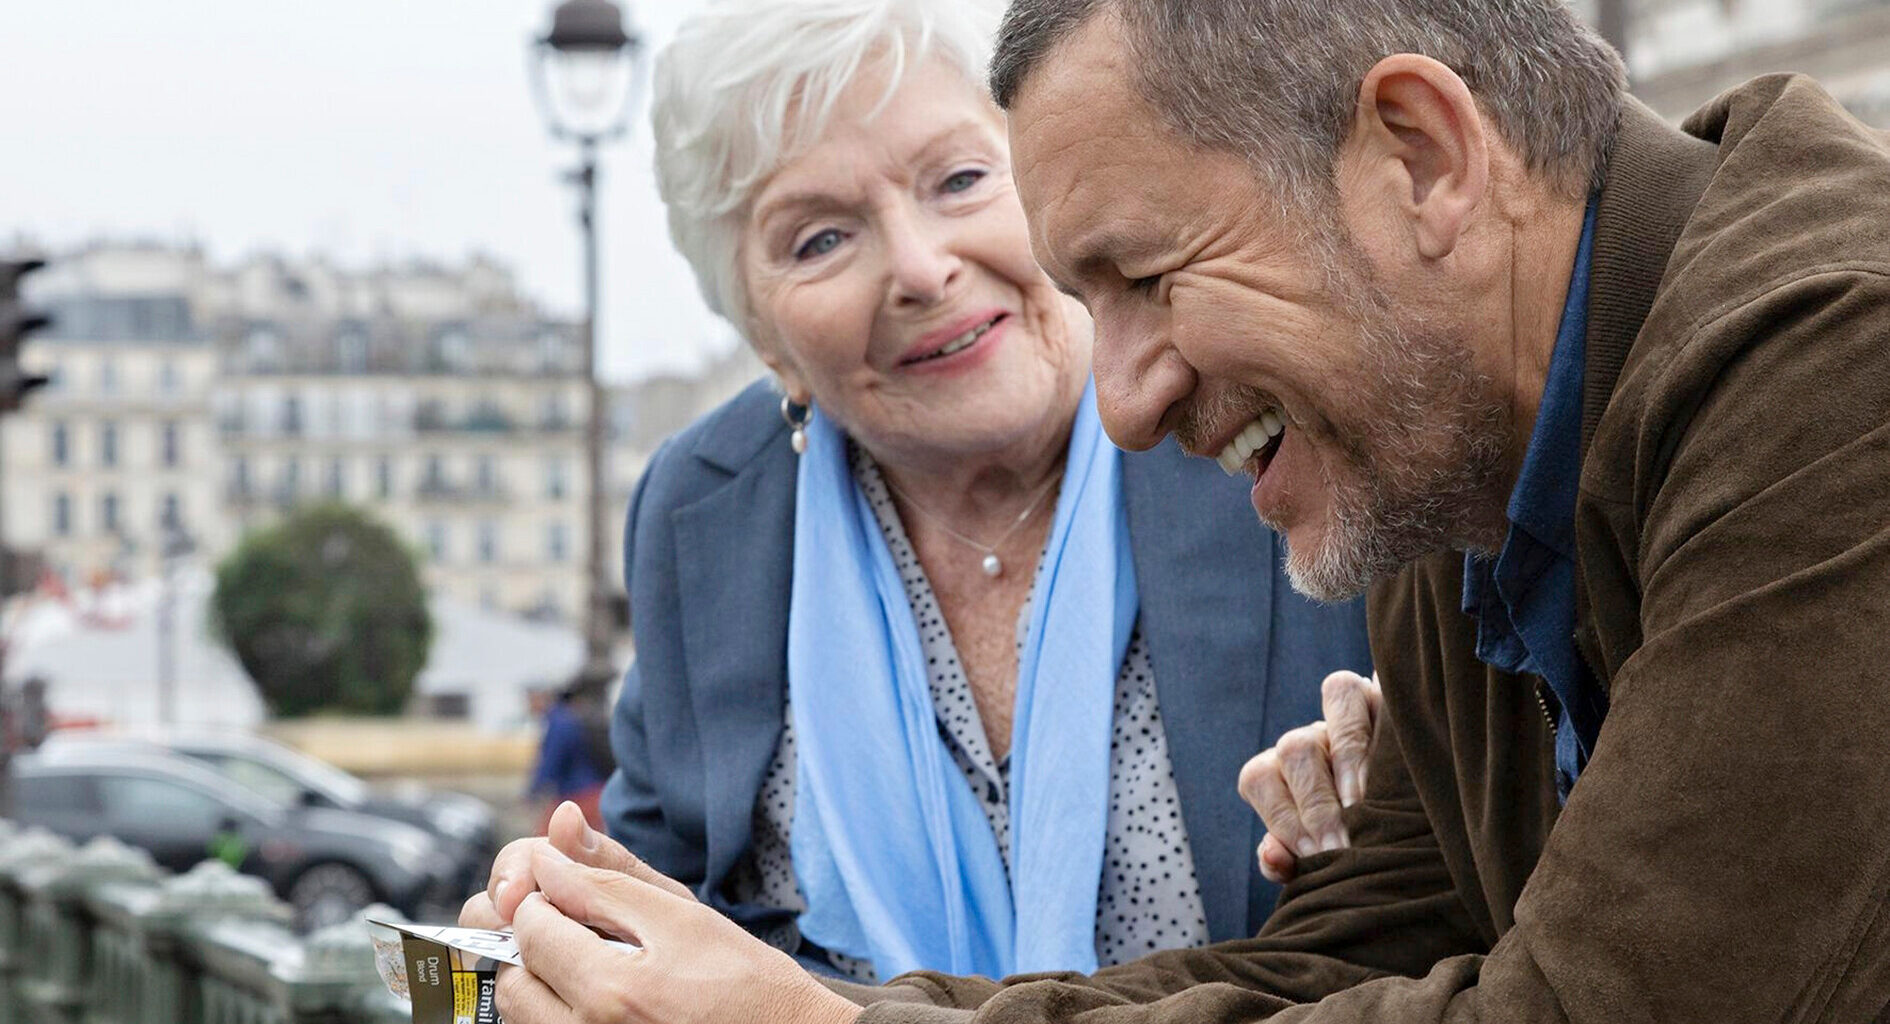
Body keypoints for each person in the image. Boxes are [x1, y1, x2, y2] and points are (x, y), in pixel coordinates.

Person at [466, 0, 1890, 1018]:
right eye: (821, 234)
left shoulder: (1840, 368)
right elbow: (1332, 960)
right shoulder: (1439, 439)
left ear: (1420, 156)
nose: (1124, 402)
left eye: (1144, 277)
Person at [548, 0, 1366, 988]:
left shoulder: (1246, 398)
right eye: (817, 240)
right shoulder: (704, 507)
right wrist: (557, 944)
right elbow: (662, 901)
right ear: (767, 342)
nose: (922, 267)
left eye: (961, 180)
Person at [524, 675, 614, 833]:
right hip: (594, 791)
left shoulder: (558, 722)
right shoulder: (568, 717)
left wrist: (533, 790)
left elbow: (551, 760)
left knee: (547, 840)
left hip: (579, 794)